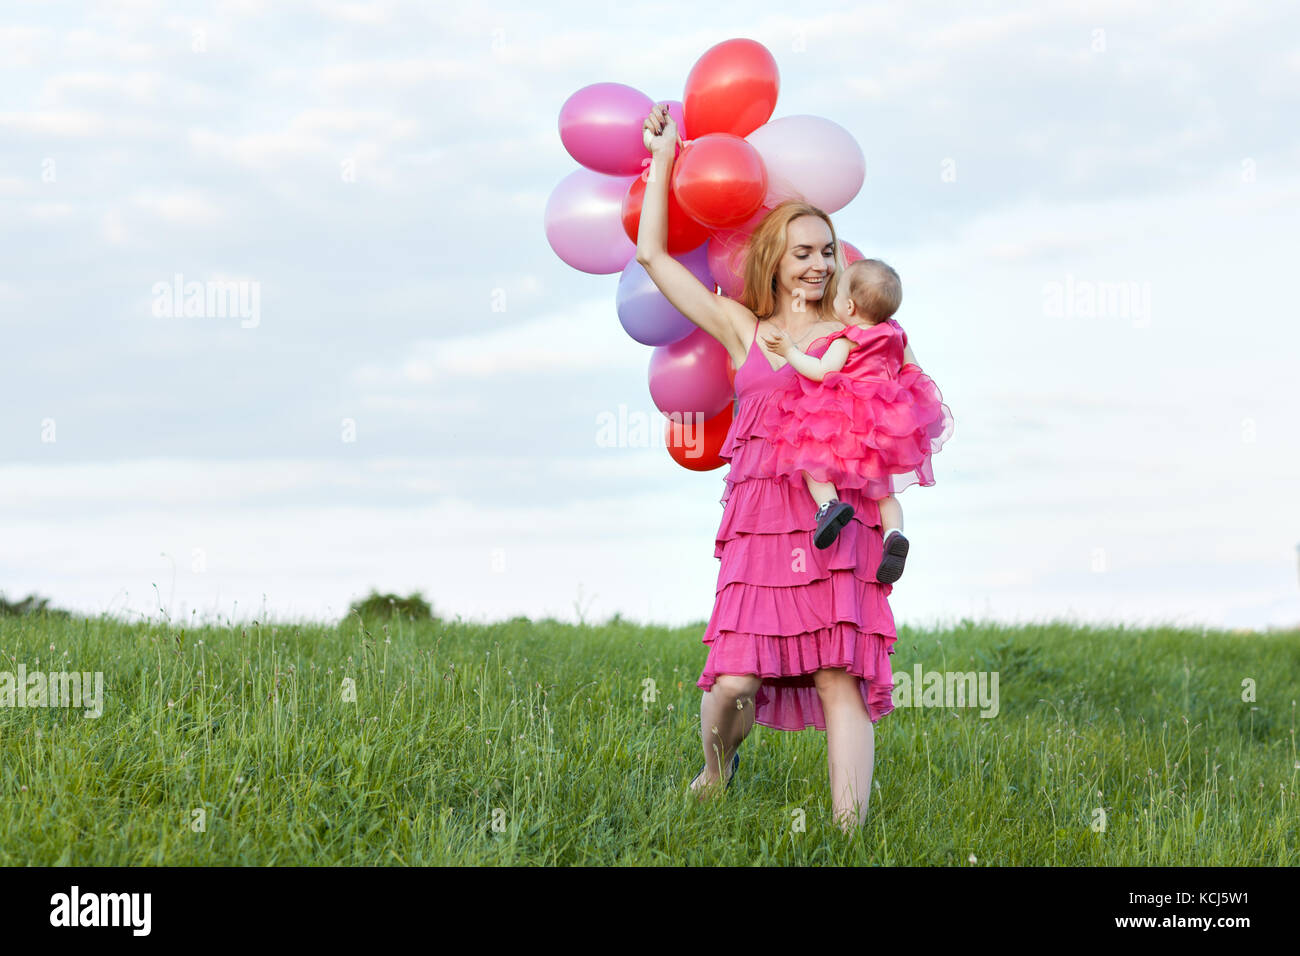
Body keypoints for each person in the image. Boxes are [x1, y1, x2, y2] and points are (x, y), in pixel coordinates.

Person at [637, 103, 893, 830]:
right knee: (735, 681)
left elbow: (899, 410)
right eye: (803, 251)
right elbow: (654, 257)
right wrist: (664, 157)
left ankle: (851, 833)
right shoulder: (742, 328)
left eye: (828, 251)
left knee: (841, 670)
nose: (818, 264)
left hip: (838, 513)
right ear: (775, 258)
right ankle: (717, 768)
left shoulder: (858, 333)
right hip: (760, 524)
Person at [757, 258, 953, 583]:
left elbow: (823, 372)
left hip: (846, 418)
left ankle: (829, 506)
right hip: (886, 425)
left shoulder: (848, 339)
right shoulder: (896, 334)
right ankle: (894, 535)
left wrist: (790, 351)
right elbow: (914, 372)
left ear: (848, 306)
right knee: (884, 492)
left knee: (809, 457)